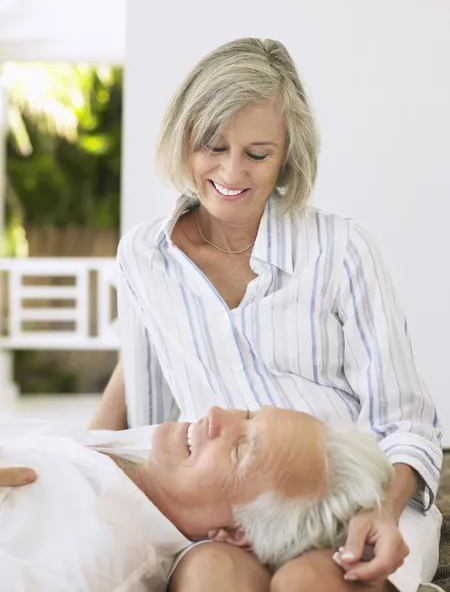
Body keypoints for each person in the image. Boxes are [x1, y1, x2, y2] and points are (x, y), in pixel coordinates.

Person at [5, 37, 443, 591]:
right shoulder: (145, 255)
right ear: (183, 138)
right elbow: (146, 405)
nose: (232, 172)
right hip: (226, 507)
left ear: (287, 156)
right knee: (214, 573)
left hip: (356, 496)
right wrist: (72, 470)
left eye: (257, 154)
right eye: (212, 145)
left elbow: (406, 422)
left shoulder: (341, 249)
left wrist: (382, 509)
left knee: (309, 580)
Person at [0, 407, 393, 591]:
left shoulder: (90, 561)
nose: (217, 414)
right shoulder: (150, 465)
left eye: (241, 450)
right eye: (249, 414)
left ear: (236, 533)